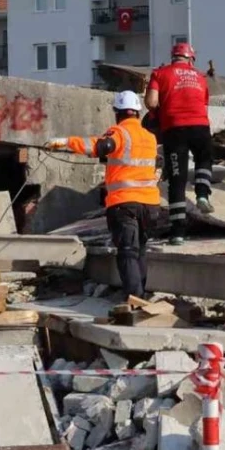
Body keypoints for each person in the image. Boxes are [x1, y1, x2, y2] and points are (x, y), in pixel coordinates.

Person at [46, 91, 160, 297]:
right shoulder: (150, 138)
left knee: (127, 252)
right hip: (151, 205)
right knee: (140, 250)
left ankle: (135, 298)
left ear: (118, 113)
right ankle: (142, 295)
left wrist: (66, 142)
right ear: (136, 113)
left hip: (125, 203)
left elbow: (99, 146)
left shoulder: (119, 133)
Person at [145, 42, 215, 245]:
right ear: (191, 58)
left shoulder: (160, 73)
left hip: (174, 129)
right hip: (200, 126)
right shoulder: (201, 77)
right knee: (204, 158)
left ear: (173, 57)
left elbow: (151, 102)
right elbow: (204, 105)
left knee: (177, 179)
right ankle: (202, 194)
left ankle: (178, 232)